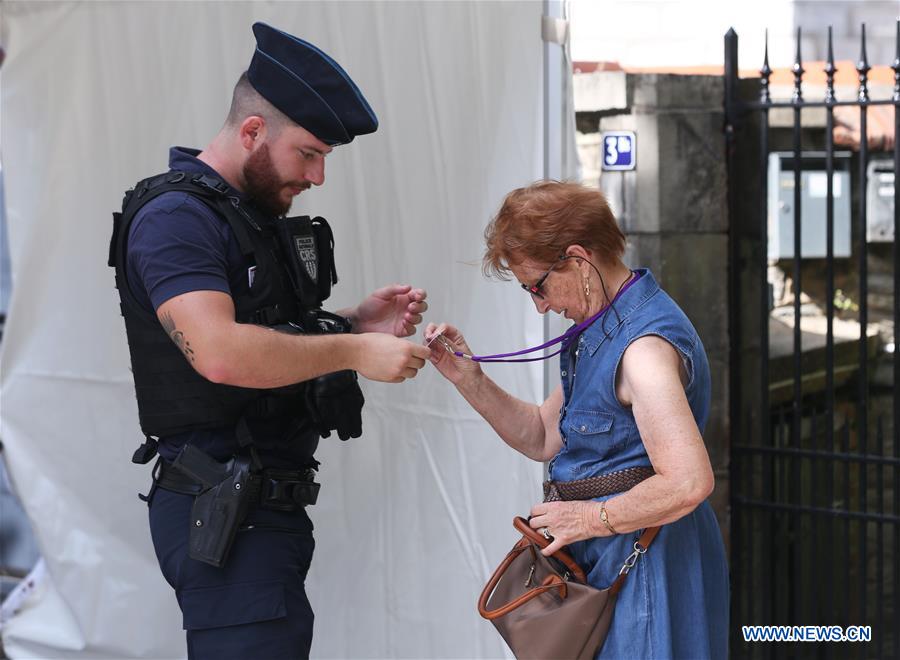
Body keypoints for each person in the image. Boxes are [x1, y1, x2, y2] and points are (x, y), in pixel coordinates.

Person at [109, 23, 430, 659]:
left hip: (258, 510)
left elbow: (263, 333)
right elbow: (220, 352)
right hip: (224, 507)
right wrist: (355, 352)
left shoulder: (237, 214)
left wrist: (350, 323)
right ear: (253, 130)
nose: (318, 176)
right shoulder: (176, 219)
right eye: (308, 153)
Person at [426, 181, 729, 658]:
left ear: (578, 259)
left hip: (646, 565)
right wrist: (469, 379)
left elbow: (689, 481)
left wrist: (588, 518)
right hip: (612, 557)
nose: (540, 305)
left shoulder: (643, 350)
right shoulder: (603, 327)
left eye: (537, 286)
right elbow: (542, 435)